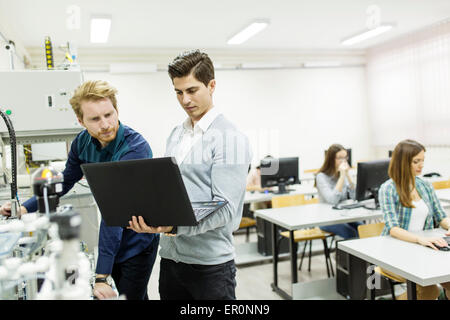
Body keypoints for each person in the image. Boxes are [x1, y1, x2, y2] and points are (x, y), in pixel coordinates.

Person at [0, 80, 159, 300]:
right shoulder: (81, 143)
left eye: (109, 114)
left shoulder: (135, 148)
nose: (105, 124)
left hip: (137, 238)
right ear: (80, 120)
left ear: (116, 110)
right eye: (95, 119)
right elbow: (64, 182)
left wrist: (101, 276)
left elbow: (116, 210)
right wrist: (25, 209)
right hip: (112, 236)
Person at [128, 50, 251, 300]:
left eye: (192, 90)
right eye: (178, 92)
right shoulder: (177, 133)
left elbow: (224, 208)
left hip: (210, 268)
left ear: (212, 85)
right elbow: (174, 192)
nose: (185, 100)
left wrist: (174, 225)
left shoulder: (231, 139)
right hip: (171, 260)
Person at [379, 139, 450, 300]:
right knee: (429, 290)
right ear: (402, 162)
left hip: (423, 248)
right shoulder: (388, 188)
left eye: (423, 160)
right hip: (395, 251)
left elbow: (441, 217)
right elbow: (393, 228)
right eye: (416, 161)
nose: (421, 165)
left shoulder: (425, 185)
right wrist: (420, 240)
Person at [315, 144, 361, 239]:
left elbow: (355, 197)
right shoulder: (321, 177)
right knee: (351, 233)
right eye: (340, 158)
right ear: (331, 159)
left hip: (343, 215)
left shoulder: (343, 174)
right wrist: (342, 176)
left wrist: (348, 176)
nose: (343, 161)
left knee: (362, 228)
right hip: (327, 219)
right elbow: (333, 200)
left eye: (345, 157)